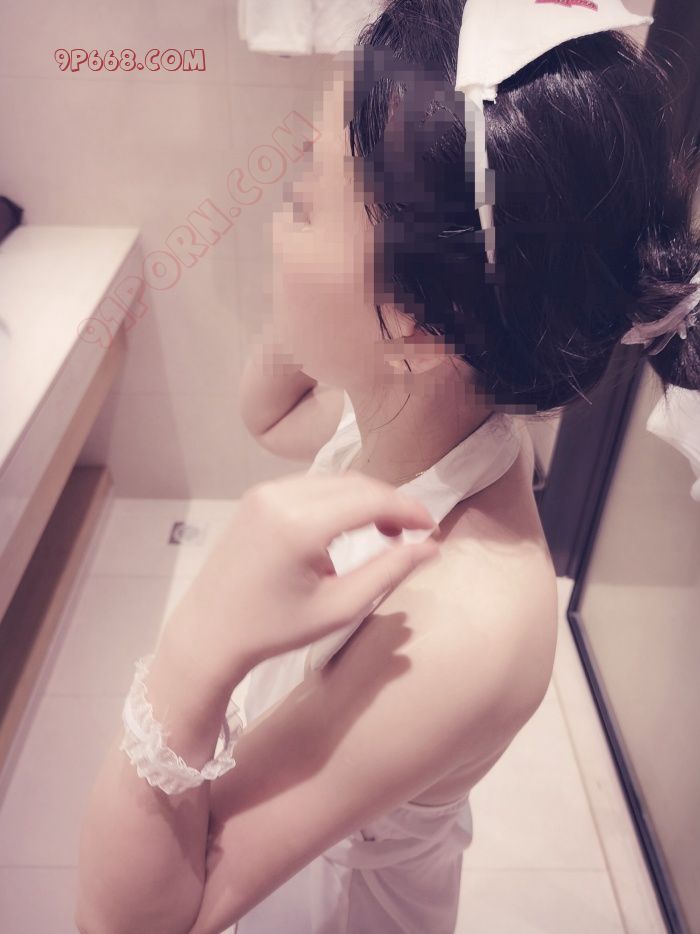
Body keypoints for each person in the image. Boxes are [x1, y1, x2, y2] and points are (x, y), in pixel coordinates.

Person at [75, 2, 700, 933]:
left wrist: (197, 648)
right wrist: (346, 289)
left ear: (418, 322)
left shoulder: (469, 619)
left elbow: (134, 919)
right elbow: (268, 414)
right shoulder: (416, 411)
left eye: (302, 201)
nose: (273, 221)